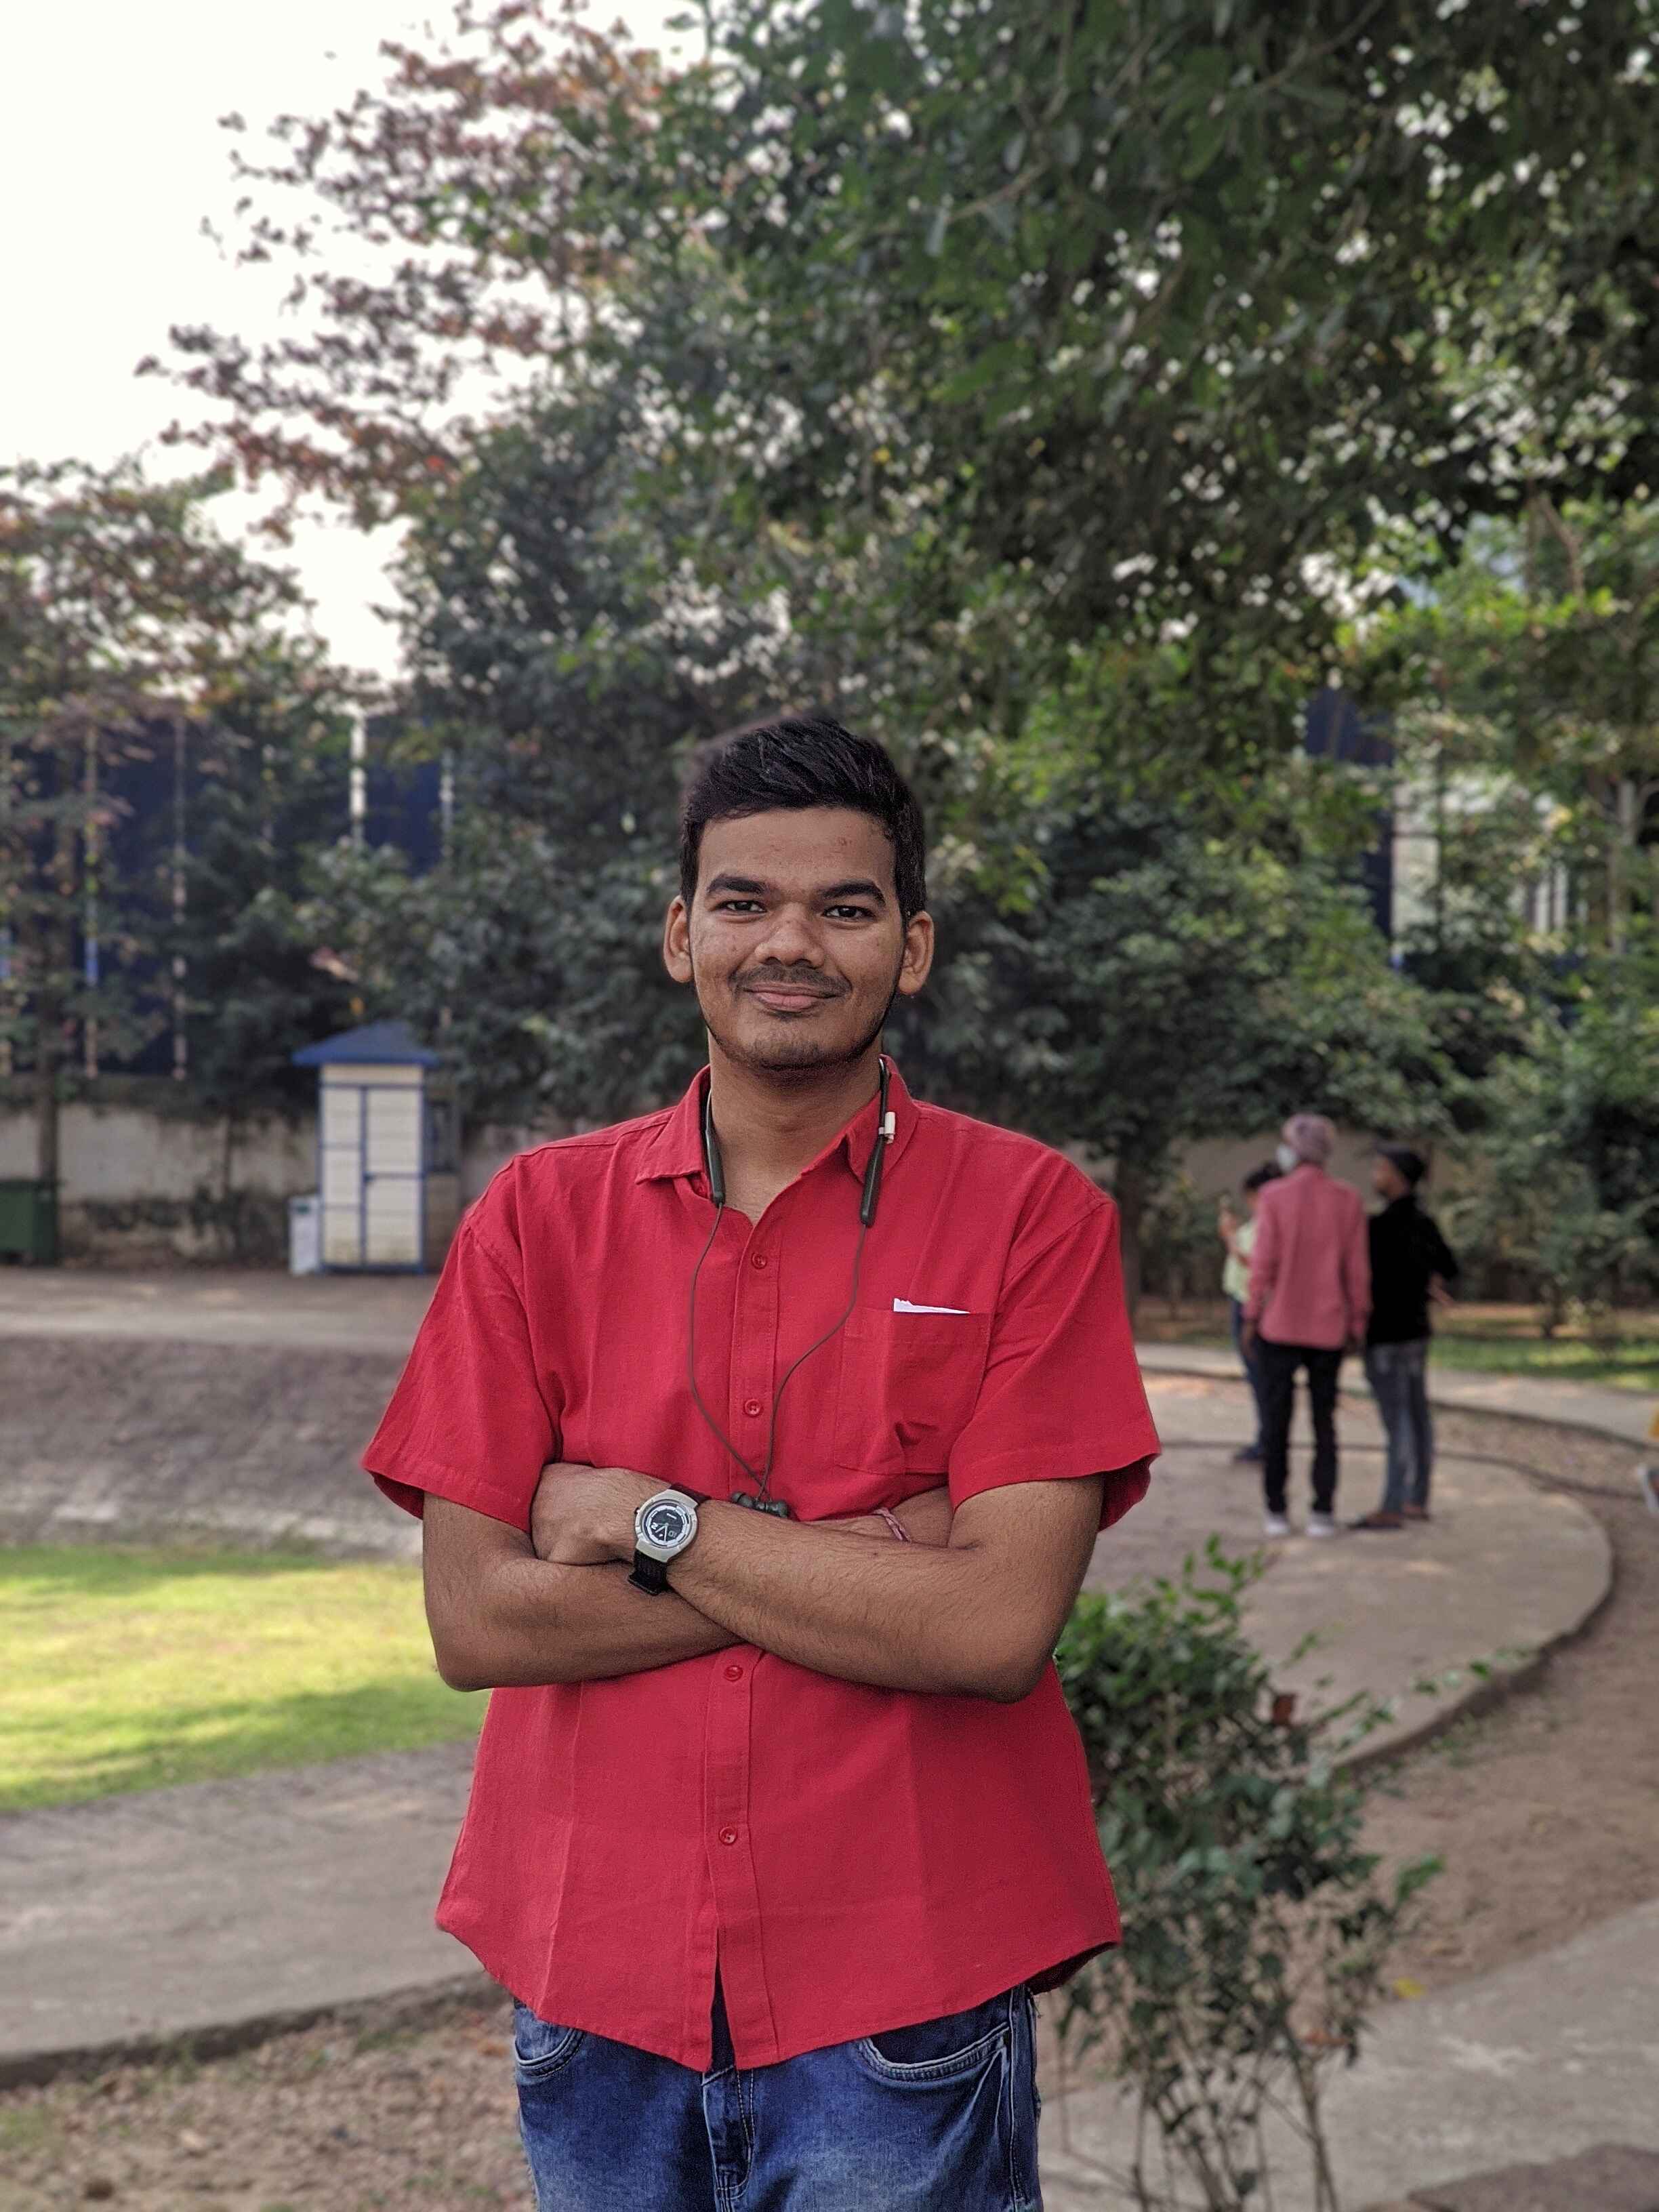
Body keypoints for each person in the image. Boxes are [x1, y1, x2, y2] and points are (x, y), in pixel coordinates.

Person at [362, 716, 1161, 2212]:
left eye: (844, 906)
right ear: (683, 935)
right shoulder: (535, 1219)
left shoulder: (1032, 1216)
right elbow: (477, 1621)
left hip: (905, 1968)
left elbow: (992, 1628)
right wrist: (868, 1558)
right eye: (745, 901)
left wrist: (642, 1515)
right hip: (596, 1969)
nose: (789, 942)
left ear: (910, 948)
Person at [1242, 1114, 1369, 1539]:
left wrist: (1252, 1315)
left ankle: (1276, 1511)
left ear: (1294, 1149)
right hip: (1328, 1329)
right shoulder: (1348, 1200)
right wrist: (1357, 1320)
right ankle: (1322, 1512)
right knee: (1324, 1424)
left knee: (1276, 1422)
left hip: (1279, 1326)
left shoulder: (1273, 1196)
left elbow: (1263, 1264)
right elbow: (1356, 1269)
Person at [1351, 1145, 1459, 1531]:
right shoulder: (1424, 1223)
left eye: (1380, 1169)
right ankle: (1417, 1498)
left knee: (1397, 1422)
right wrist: (1428, 1285)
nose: (1375, 1176)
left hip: (1386, 1335)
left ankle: (1392, 1505)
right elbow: (1448, 1266)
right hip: (1416, 1332)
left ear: (1398, 1177)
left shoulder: (1379, 1228)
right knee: (1417, 1416)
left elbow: (1364, 1280)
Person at [1219, 1162, 1282, 1463]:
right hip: (1241, 1299)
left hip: (1252, 1306)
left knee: (1261, 1378)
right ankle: (1266, 1438)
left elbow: (1255, 1264)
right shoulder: (1259, 1224)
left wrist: (1230, 1238)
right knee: (1258, 1377)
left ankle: (1268, 1441)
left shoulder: (1269, 1227)